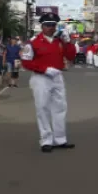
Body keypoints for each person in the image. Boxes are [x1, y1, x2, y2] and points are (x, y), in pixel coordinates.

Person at [20, 12, 77, 153]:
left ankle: (60, 139)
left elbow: (70, 56)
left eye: (53, 25)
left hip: (57, 76)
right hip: (41, 78)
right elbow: (26, 62)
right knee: (43, 108)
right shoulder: (33, 42)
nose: (50, 28)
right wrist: (44, 69)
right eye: (47, 25)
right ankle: (46, 140)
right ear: (42, 26)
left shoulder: (59, 42)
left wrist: (68, 42)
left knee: (60, 108)